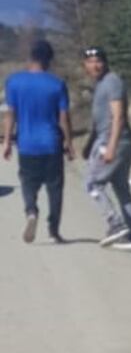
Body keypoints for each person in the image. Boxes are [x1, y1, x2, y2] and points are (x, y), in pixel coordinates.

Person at [2, 40, 75, 244]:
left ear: (30, 58)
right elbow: (64, 118)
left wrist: (7, 141)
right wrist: (69, 143)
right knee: (55, 188)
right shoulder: (57, 84)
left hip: (27, 145)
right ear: (48, 60)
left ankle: (31, 211)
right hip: (51, 144)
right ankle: (53, 230)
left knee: (27, 183)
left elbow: (10, 114)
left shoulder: (13, 82)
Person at [80, 46, 131, 249]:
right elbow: (99, 122)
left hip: (113, 140)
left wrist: (111, 146)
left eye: (98, 61)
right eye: (90, 62)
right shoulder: (101, 85)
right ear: (85, 65)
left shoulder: (112, 82)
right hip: (116, 140)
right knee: (121, 187)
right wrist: (89, 145)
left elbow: (118, 116)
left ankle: (116, 225)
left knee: (92, 184)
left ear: (105, 63)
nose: (94, 65)